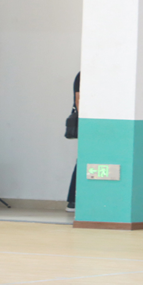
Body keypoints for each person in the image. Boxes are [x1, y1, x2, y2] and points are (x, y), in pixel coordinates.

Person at [66, 72, 80, 213]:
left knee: (83, 160)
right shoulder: (84, 75)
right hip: (89, 124)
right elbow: (78, 100)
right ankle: (73, 200)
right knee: (84, 160)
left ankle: (73, 201)